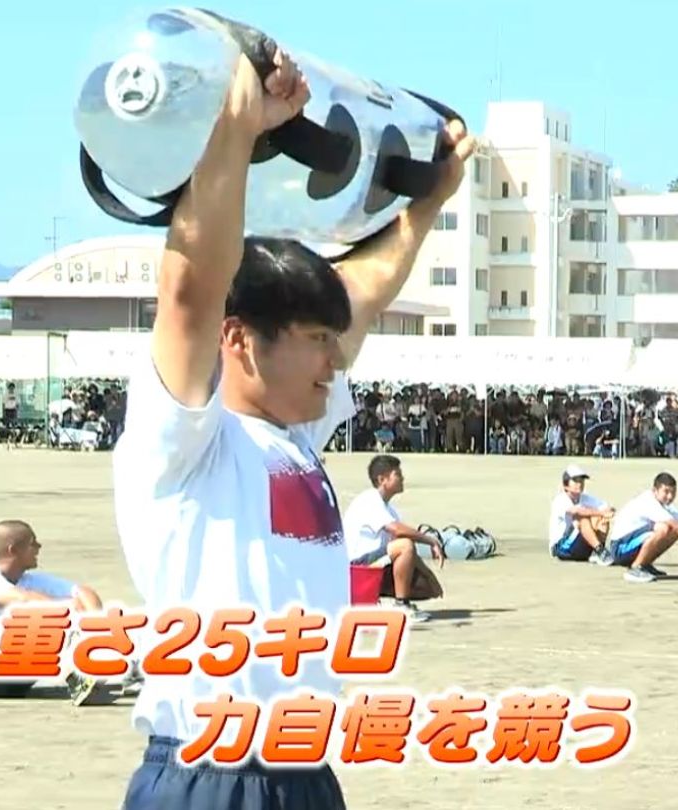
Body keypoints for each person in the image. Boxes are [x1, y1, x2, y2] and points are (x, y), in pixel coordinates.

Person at [110, 47, 474, 810]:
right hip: (208, 774)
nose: (331, 358)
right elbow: (188, 290)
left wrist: (428, 204)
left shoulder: (296, 441)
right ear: (238, 338)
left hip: (304, 771)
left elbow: (364, 291)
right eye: (313, 339)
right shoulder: (184, 448)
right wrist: (240, 126)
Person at [0, 520, 113, 704]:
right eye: (32, 543)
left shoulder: (30, 580)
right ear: (13, 550)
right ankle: (80, 676)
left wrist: (98, 630)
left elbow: (83, 592)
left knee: (76, 608)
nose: (39, 547)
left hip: (11, 672)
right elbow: (23, 600)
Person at [342, 454, 447, 622]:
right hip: (356, 566)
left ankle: (384, 601)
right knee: (404, 545)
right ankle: (401, 605)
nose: (402, 478)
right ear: (382, 479)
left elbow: (400, 544)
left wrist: (428, 575)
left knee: (427, 588)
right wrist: (431, 541)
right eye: (397, 474)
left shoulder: (390, 509)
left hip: (376, 563)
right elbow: (398, 533)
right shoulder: (369, 499)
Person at [606, 472, 678, 583]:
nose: (670, 496)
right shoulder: (649, 501)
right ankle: (635, 568)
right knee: (664, 528)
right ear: (655, 491)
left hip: (632, 543)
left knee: (675, 531)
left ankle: (644, 564)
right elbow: (675, 526)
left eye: (673, 492)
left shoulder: (666, 505)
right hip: (620, 548)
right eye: (666, 492)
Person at [547, 464, 616, 566]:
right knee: (582, 519)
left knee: (601, 518)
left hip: (578, 546)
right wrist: (601, 512)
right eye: (575, 480)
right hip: (560, 548)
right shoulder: (560, 500)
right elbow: (577, 511)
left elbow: (607, 508)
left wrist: (606, 512)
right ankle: (600, 551)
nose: (580, 484)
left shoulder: (585, 498)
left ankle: (598, 552)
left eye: (582, 480)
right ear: (566, 485)